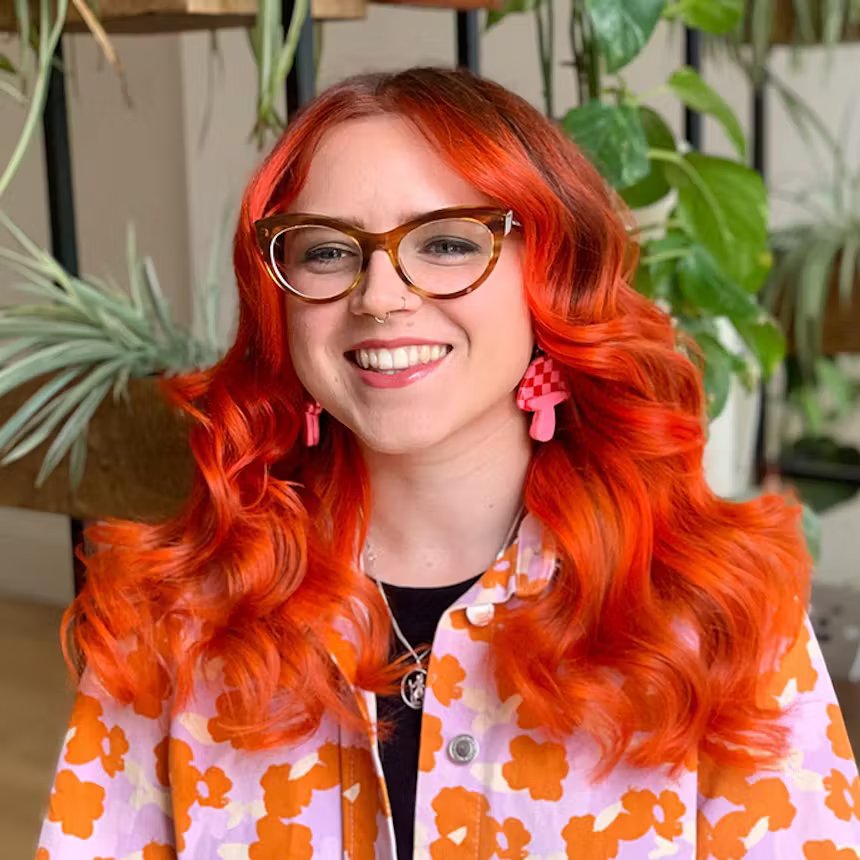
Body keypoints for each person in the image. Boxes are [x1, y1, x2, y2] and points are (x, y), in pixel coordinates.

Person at [35, 66, 860, 860]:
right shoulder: (173, 615)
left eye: (448, 243)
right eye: (326, 252)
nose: (380, 295)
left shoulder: (719, 609)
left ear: (553, 273)